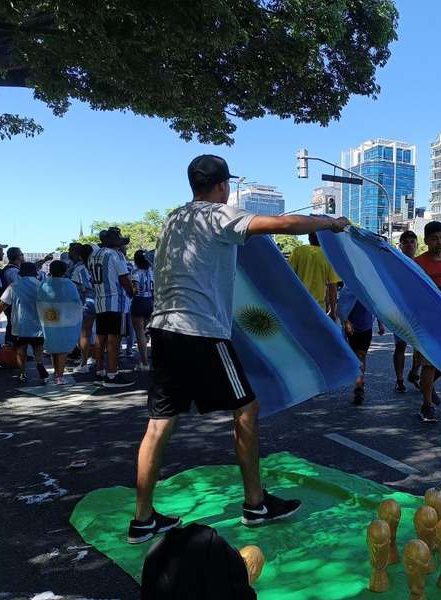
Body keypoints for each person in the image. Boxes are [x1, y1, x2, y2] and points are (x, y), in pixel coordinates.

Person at [128, 154, 349, 544]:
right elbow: (280, 224)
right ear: (222, 186)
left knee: (158, 426)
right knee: (246, 409)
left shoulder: (174, 220)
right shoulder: (217, 215)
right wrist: (328, 223)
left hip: (164, 332)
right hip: (201, 332)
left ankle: (142, 521)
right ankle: (256, 504)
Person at [413, 221, 441, 423]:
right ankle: (426, 405)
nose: (439, 242)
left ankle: (428, 386)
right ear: (426, 240)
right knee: (430, 364)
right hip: (428, 321)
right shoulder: (418, 262)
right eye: (434, 238)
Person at [89, 228, 135, 388]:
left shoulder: (94, 255)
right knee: (113, 340)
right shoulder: (115, 255)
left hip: (100, 301)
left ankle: (100, 371)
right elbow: (124, 278)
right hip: (115, 302)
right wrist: (131, 292)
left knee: (100, 338)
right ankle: (112, 375)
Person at [0, 262, 48, 383]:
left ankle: (22, 373)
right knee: (38, 348)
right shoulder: (41, 285)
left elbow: (3, 304)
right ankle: (40, 364)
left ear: (21, 272)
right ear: (34, 272)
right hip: (37, 325)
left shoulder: (14, 286)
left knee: (21, 350)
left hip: (20, 326)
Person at [339, 288, 385, 405]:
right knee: (355, 355)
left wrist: (380, 323)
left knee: (361, 354)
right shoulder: (348, 288)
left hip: (366, 326)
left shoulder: (368, 287)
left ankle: (359, 386)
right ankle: (358, 381)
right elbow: (341, 306)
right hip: (352, 327)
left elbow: (376, 305)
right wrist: (345, 321)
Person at [39, 260, 82, 385]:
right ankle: (60, 376)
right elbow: (76, 301)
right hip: (66, 321)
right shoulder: (69, 284)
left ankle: (56, 373)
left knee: (53, 348)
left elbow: (39, 300)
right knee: (63, 349)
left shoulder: (44, 283)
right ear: (64, 270)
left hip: (49, 319)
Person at [393, 230, 421, 392]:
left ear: (417, 245)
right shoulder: (395, 264)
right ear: (401, 246)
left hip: (418, 313)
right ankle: (399, 379)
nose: (410, 244)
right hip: (401, 312)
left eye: (412, 241)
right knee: (400, 346)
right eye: (406, 242)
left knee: (421, 347)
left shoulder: (421, 264)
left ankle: (414, 372)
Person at [288, 232, 341, 318]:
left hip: (298, 305)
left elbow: (288, 277)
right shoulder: (328, 257)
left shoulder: (298, 251)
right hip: (318, 308)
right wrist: (332, 311)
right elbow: (332, 288)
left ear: (309, 238)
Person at [70, 243, 97, 373]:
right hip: (104, 302)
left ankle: (84, 363)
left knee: (84, 333)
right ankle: (99, 361)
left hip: (87, 302)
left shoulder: (79, 270)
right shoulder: (99, 266)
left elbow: (75, 290)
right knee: (101, 334)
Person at [130, 250, 154, 371]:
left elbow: (135, 289)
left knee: (139, 333)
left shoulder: (135, 272)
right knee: (148, 332)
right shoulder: (151, 272)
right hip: (150, 301)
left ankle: (144, 363)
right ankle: (153, 361)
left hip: (139, 302)